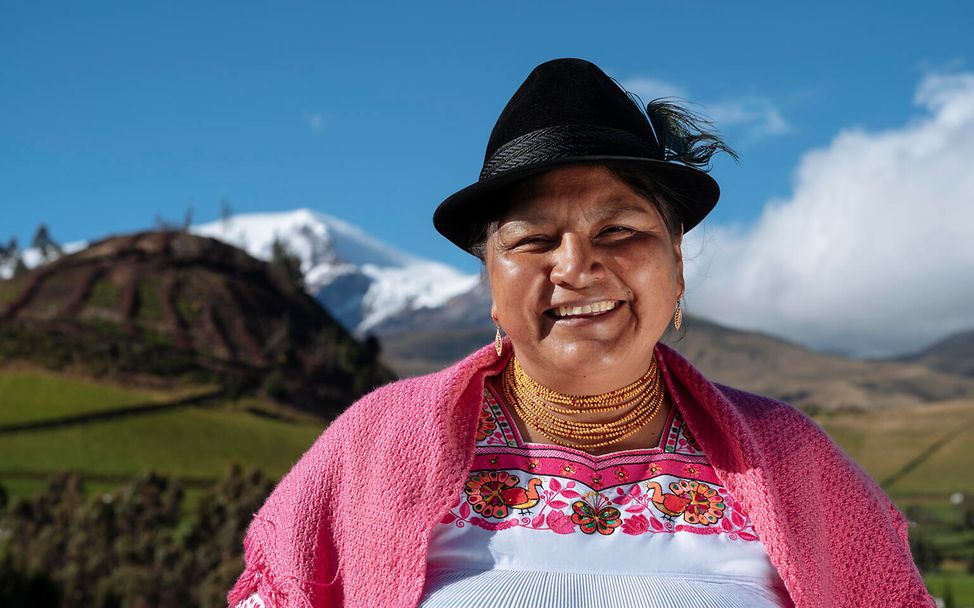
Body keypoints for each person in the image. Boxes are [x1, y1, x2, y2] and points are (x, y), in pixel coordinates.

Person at [228, 58, 934, 608]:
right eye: (534, 240)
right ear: (490, 280)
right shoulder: (372, 450)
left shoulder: (794, 465)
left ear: (677, 265)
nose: (578, 266)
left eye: (620, 231)